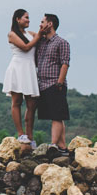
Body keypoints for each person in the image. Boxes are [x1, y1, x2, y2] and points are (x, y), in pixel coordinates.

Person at [2, 9, 45, 149]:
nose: (28, 20)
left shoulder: (30, 33)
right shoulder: (12, 34)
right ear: (17, 19)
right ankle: (21, 133)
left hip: (30, 69)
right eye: (26, 18)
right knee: (17, 101)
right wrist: (38, 36)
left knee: (32, 104)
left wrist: (42, 30)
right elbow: (26, 47)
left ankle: (30, 135)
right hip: (17, 68)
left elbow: (41, 37)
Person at [35, 13, 71, 156]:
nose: (40, 24)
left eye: (42, 22)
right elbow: (31, 35)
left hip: (55, 83)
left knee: (56, 116)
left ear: (50, 24)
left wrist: (59, 83)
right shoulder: (42, 42)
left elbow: (65, 63)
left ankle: (54, 144)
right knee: (56, 115)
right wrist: (39, 33)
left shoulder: (62, 42)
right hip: (42, 84)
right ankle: (62, 147)